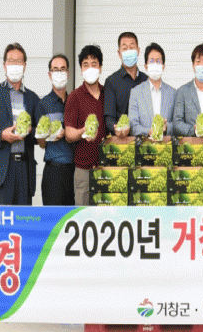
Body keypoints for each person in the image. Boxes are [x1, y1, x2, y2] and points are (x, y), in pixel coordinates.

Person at [0, 43, 40, 205]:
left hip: (24, 170)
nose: (15, 65)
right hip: (1, 170)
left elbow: (38, 134)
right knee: (1, 219)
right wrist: (1, 135)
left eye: (19, 61)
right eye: (11, 61)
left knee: (22, 219)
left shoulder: (32, 98)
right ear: (4, 65)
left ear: (25, 66)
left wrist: (31, 131)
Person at [65, 45, 107, 206]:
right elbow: (69, 134)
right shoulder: (75, 97)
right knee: (83, 215)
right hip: (84, 170)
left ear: (100, 68)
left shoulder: (108, 94)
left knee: (106, 215)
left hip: (106, 169)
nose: (90, 68)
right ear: (81, 69)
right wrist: (83, 132)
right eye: (85, 64)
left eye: (94, 64)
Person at [35, 54, 75, 205]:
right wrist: (47, 134)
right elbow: (41, 144)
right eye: (55, 69)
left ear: (68, 73)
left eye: (63, 69)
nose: (59, 73)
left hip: (75, 171)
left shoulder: (75, 101)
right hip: (53, 172)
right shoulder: (43, 104)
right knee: (53, 217)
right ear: (50, 74)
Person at [104, 32, 148, 137]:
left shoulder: (146, 80)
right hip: (121, 140)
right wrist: (116, 128)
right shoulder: (111, 81)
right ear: (119, 53)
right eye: (124, 48)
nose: (128, 51)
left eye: (132, 47)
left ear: (138, 51)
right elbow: (109, 117)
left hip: (145, 139)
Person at [129, 43, 177, 137]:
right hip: (144, 144)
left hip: (166, 143)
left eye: (158, 61)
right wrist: (148, 131)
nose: (155, 64)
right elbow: (133, 125)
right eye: (151, 61)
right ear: (146, 66)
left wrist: (167, 127)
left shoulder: (173, 93)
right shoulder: (136, 92)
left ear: (163, 67)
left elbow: (177, 123)